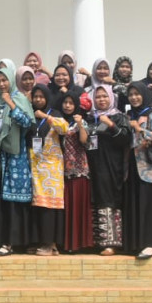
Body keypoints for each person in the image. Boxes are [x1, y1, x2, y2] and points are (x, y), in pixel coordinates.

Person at [122, 84, 152, 260]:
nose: (134, 98)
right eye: (131, 95)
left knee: (150, 206)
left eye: (137, 94)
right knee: (136, 205)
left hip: (149, 168)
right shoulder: (128, 115)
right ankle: (136, 243)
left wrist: (141, 130)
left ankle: (151, 244)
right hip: (132, 168)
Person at [0, 65, 34, 256]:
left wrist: (11, 104)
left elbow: (28, 122)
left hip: (18, 156)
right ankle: (5, 242)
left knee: (16, 201)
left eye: (4, 80)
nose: (1, 84)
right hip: (2, 156)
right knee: (4, 201)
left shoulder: (18, 99)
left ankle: (17, 242)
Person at [84, 86, 128, 255]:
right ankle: (96, 241)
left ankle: (111, 242)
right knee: (94, 199)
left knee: (108, 199)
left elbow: (125, 138)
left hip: (111, 166)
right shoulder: (90, 118)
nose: (101, 99)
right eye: (98, 97)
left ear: (111, 97)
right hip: (93, 165)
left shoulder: (118, 116)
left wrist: (110, 124)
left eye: (104, 96)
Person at [28, 84, 70, 256]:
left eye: (41, 96)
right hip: (35, 166)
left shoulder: (54, 113)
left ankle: (49, 244)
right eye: (35, 96)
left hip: (51, 168)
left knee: (48, 208)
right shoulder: (29, 114)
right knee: (37, 207)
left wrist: (46, 116)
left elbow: (64, 128)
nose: (38, 99)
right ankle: (40, 242)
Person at [58, 90, 94, 253]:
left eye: (71, 103)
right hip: (62, 171)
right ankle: (67, 244)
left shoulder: (81, 121)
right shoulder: (59, 122)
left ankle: (79, 244)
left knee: (78, 207)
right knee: (67, 208)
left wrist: (80, 124)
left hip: (79, 171)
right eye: (65, 103)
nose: (67, 106)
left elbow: (84, 141)